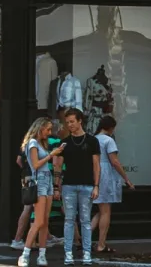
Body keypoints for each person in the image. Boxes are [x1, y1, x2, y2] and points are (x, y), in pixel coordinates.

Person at [57, 109, 101, 264]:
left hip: (87, 184)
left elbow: (96, 165)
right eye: (67, 122)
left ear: (80, 121)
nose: (70, 125)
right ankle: (68, 252)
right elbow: (58, 166)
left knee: (85, 220)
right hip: (69, 184)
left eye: (72, 121)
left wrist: (96, 185)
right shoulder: (65, 143)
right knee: (69, 219)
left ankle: (87, 253)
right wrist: (58, 186)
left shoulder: (92, 141)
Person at [19, 117, 64, 266]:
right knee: (38, 221)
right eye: (48, 129)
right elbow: (36, 165)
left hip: (47, 180)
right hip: (39, 181)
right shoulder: (32, 143)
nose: (49, 133)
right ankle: (25, 254)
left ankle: (42, 255)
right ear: (40, 128)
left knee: (44, 221)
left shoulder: (41, 144)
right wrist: (52, 154)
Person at [94, 115, 134, 254]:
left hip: (94, 174)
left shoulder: (94, 139)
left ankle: (83, 239)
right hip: (106, 175)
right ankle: (101, 244)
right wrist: (126, 179)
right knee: (106, 211)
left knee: (100, 209)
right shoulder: (108, 140)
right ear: (111, 127)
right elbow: (115, 161)